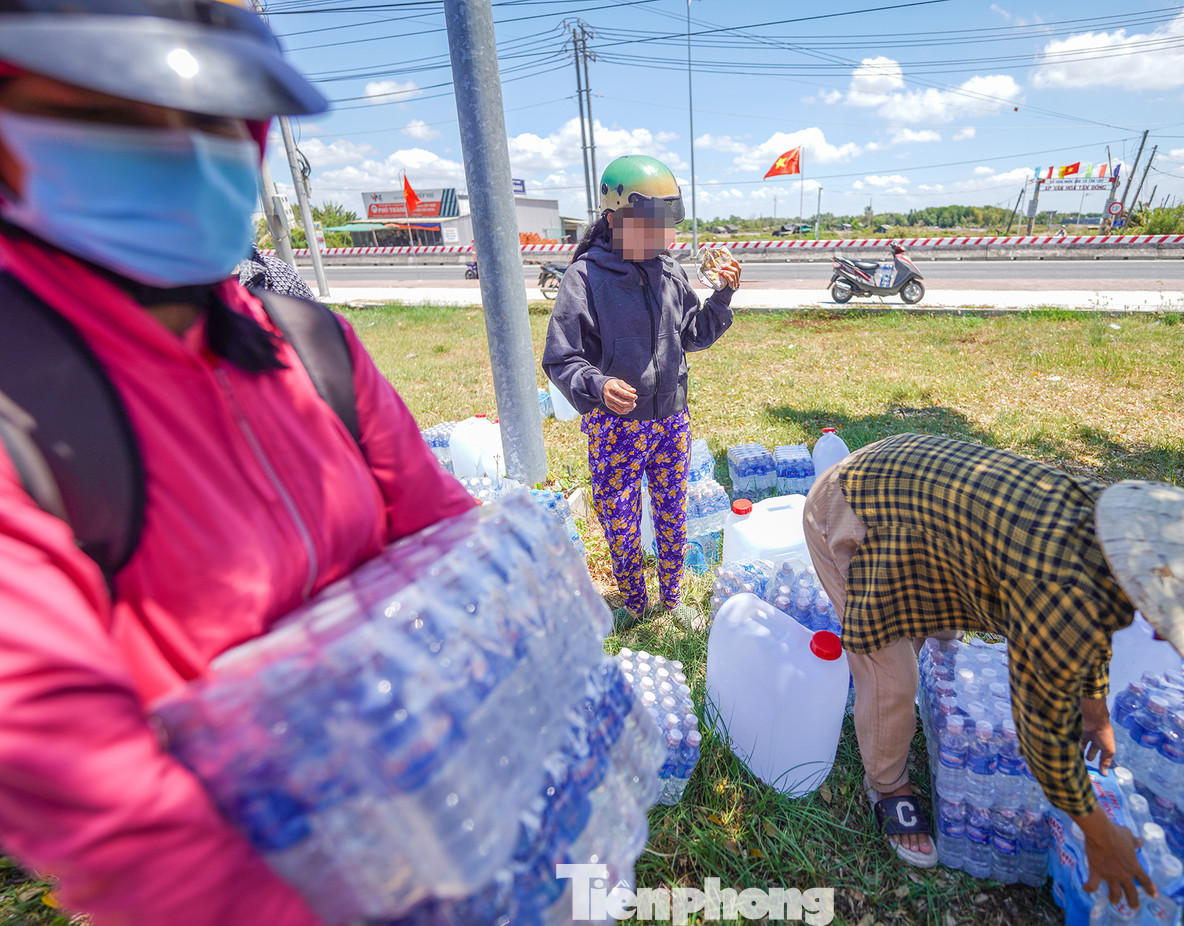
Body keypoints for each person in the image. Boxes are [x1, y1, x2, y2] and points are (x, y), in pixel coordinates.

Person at [0, 2, 475, 923]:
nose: (180, 153)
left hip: (419, 808)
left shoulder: (309, 343)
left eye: (215, 121)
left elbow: (444, 532)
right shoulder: (23, 410)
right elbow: (95, 785)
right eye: (109, 116)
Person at [802, 432, 1184, 907]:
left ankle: (912, 676)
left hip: (924, 509)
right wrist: (1100, 835)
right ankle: (888, 785)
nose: (1179, 639)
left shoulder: (1130, 543)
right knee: (890, 672)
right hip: (852, 508)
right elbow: (1041, 729)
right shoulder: (1062, 588)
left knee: (941, 635)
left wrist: (1094, 713)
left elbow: (1096, 623)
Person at [543, 155, 740, 625]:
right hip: (617, 430)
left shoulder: (668, 272)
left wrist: (722, 297)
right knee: (622, 521)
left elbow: (692, 332)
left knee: (673, 513)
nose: (660, 237)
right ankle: (634, 602)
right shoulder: (585, 278)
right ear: (613, 218)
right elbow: (561, 357)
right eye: (648, 225)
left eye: (664, 225)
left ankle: (670, 600)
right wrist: (598, 383)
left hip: (671, 421)